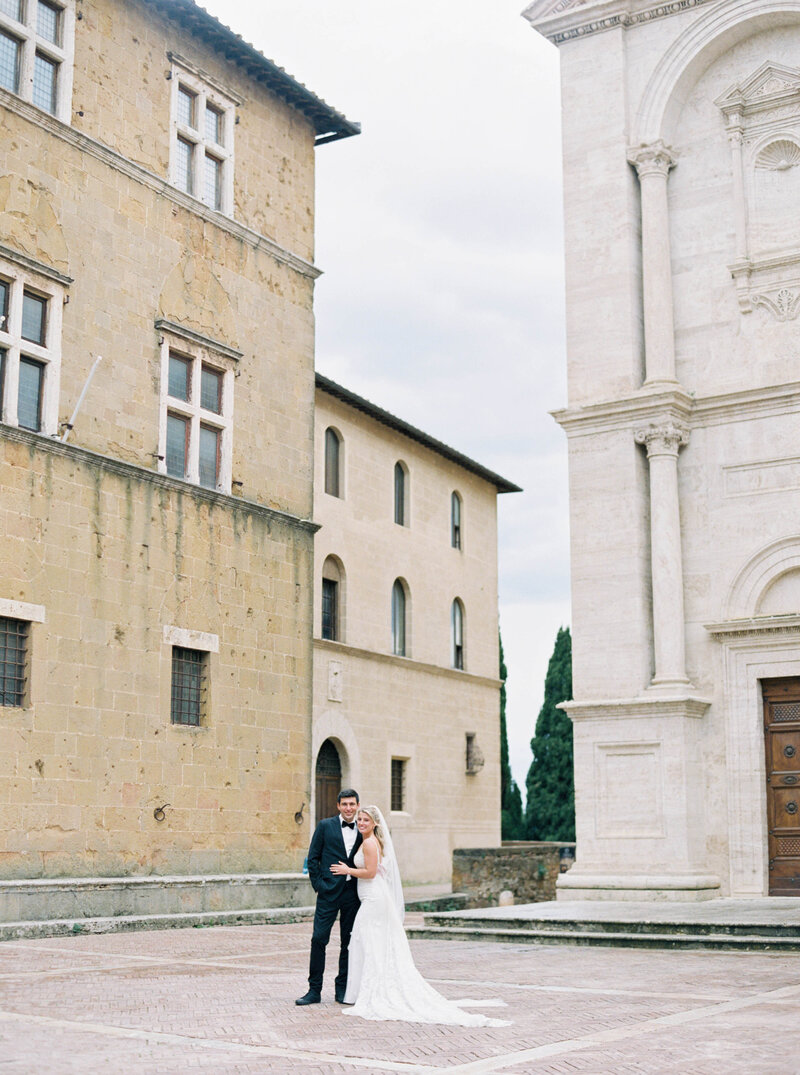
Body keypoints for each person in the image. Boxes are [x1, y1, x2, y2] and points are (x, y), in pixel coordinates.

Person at [330, 805, 508, 1026]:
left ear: (375, 823)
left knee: (368, 941)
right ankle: (365, 990)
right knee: (369, 942)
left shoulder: (368, 842)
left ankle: (372, 991)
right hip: (371, 897)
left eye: (365, 820)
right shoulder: (371, 841)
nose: (361, 823)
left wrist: (348, 870)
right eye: (359, 820)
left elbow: (370, 872)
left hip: (374, 899)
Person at [296, 788, 363, 1006]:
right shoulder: (325, 826)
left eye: (352, 804)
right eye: (344, 804)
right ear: (338, 806)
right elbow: (313, 858)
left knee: (348, 942)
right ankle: (314, 990)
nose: (348, 808)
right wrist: (319, 886)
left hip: (353, 894)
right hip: (328, 893)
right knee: (318, 939)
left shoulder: (363, 829)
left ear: (357, 805)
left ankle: (342, 989)